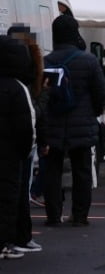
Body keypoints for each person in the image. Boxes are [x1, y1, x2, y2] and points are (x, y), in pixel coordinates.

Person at [42, 15, 105, 227]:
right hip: (83, 124)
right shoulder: (89, 61)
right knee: (82, 171)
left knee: (52, 171)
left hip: (53, 124)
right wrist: (93, 113)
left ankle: (53, 214)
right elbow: (101, 93)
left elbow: (42, 96)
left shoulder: (46, 61)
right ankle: (79, 215)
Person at [7, 25, 46, 253]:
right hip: (25, 137)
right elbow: (37, 107)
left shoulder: (16, 75)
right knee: (20, 189)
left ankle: (16, 237)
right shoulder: (33, 68)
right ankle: (21, 236)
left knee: (16, 191)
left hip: (20, 137)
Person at [0, 35, 35, 259]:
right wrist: (24, 151)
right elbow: (25, 126)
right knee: (7, 199)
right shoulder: (17, 87)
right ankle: (4, 243)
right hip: (10, 154)